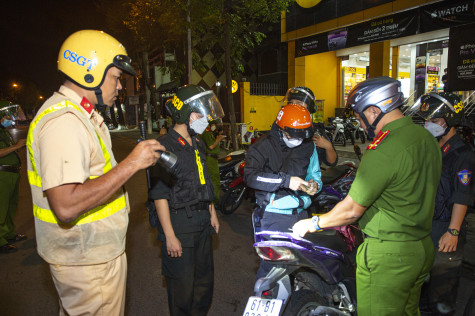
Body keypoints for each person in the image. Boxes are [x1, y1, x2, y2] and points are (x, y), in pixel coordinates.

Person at [26, 30, 164, 315]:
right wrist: (133, 163)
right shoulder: (65, 122)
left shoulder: (81, 115)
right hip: (87, 265)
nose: (119, 86)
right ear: (90, 73)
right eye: (115, 77)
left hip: (91, 257)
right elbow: (65, 205)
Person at [292, 76, 442, 316]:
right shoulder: (426, 138)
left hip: (389, 256)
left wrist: (312, 223)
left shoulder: (384, 148)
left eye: (360, 117)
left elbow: (352, 210)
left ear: (374, 111)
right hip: (422, 247)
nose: (361, 124)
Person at [148, 84, 223, 316]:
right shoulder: (164, 147)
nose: (206, 121)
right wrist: (169, 236)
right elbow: (159, 195)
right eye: (202, 116)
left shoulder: (197, 143)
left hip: (201, 221)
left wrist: (211, 212)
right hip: (180, 224)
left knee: (203, 286)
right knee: (182, 290)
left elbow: (203, 180)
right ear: (190, 115)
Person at [244, 103, 322, 279]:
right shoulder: (263, 146)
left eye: (302, 136)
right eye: (292, 135)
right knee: (273, 272)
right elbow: (250, 176)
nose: (297, 140)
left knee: (302, 268)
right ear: (281, 129)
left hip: (302, 216)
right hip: (274, 216)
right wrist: (285, 181)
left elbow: (315, 173)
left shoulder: (308, 147)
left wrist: (315, 184)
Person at [417, 92, 475, 315]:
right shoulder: (436, 147)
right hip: (428, 226)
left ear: (449, 121)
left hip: (446, 227)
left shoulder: (463, 154)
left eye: (434, 120)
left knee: (442, 292)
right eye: (427, 120)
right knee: (424, 288)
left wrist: (453, 231)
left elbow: (462, 196)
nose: (428, 124)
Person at [282, 86, 338, 167]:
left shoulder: (316, 132)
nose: (294, 106)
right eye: (291, 103)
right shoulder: (281, 128)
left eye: (299, 103)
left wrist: (328, 147)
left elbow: (332, 162)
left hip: (309, 178)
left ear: (310, 107)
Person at [0, 115, 27, 253]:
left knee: (11, 207)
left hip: (12, 173)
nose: (9, 120)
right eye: (5, 117)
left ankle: (8, 235)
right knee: (1, 209)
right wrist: (16, 146)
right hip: (2, 175)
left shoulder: (4, 132)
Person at [200, 121, 226, 205]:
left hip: (212, 159)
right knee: (215, 180)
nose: (215, 126)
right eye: (214, 124)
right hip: (210, 159)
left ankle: (214, 200)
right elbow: (211, 146)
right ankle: (215, 201)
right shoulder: (206, 133)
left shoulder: (209, 133)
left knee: (214, 179)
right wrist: (218, 139)